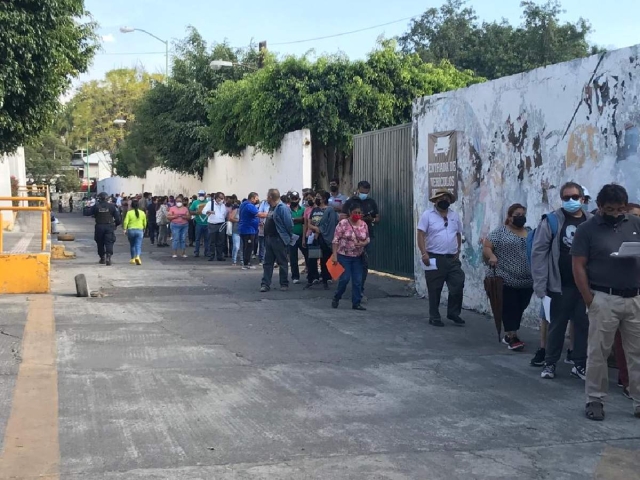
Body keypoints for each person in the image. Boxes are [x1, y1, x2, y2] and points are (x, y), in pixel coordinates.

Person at [571, 184, 640, 421]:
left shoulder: (634, 223)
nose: (615, 213)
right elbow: (578, 265)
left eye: (620, 209)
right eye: (610, 209)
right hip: (603, 297)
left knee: (636, 353)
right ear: (599, 206)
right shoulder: (587, 229)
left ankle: (638, 400)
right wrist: (589, 299)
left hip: (634, 298)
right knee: (598, 352)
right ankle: (595, 399)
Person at [532, 182, 593, 381]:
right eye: (566, 198)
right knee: (556, 326)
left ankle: (579, 364)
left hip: (584, 286)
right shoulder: (552, 221)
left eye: (575, 197)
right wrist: (541, 285)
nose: (571, 201)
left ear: (582, 199)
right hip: (559, 285)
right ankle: (550, 363)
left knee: (584, 326)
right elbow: (539, 253)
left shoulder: (591, 221)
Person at [483, 204, 533, 351]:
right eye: (517, 214)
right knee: (510, 307)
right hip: (505, 277)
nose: (520, 217)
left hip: (527, 281)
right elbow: (487, 247)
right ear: (509, 217)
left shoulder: (530, 232)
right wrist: (492, 256)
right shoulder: (500, 232)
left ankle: (510, 333)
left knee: (520, 307)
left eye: (523, 214)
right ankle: (512, 336)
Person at [416, 189, 465, 327]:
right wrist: (424, 253)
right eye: (441, 198)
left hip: (452, 258)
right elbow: (420, 234)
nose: (445, 201)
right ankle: (434, 316)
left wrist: (458, 250)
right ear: (436, 200)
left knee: (458, 283)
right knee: (435, 288)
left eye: (447, 199)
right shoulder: (428, 215)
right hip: (434, 257)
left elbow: (458, 233)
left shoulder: (454, 215)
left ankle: (453, 313)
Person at [343, 181, 380, 301]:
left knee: (364, 264)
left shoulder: (371, 202)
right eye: (363, 191)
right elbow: (342, 216)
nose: (364, 194)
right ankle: (344, 288)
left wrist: (371, 219)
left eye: (367, 192)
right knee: (349, 264)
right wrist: (355, 218)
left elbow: (377, 218)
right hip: (351, 238)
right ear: (358, 189)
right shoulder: (351, 202)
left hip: (367, 236)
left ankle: (360, 291)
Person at [331, 199, 370, 310]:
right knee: (345, 278)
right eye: (355, 212)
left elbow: (367, 239)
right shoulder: (343, 224)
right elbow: (335, 240)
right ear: (350, 212)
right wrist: (334, 255)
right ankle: (337, 297)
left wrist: (362, 243)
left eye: (359, 213)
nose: (357, 215)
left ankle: (356, 303)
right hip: (344, 256)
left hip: (358, 257)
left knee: (357, 280)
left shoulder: (363, 225)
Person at [260, 189, 293, 292]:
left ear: (270, 197)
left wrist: (287, 237)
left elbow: (289, 224)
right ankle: (265, 284)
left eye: (267, 196)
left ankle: (284, 284)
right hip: (269, 238)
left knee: (282, 262)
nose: (266, 198)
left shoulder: (282, 208)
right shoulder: (271, 207)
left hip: (278, 239)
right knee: (267, 263)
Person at [91, 192, 121, 266]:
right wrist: (116, 225)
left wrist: (88, 206)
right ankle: (108, 257)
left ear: (99, 198)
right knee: (109, 242)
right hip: (109, 226)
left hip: (99, 226)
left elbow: (87, 212)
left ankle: (102, 257)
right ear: (107, 198)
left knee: (100, 243)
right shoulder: (112, 206)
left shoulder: (96, 206)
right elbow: (118, 218)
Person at [239, 193, 263, 270]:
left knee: (246, 246)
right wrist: (270, 214)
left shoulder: (244, 204)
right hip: (248, 230)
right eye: (256, 198)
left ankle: (246, 262)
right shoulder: (249, 206)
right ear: (252, 198)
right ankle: (246, 264)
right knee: (249, 247)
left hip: (246, 229)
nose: (257, 200)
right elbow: (259, 214)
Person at [288, 191, 307, 284]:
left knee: (307, 255)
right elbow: (287, 221)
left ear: (299, 199)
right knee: (293, 257)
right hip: (291, 237)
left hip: (302, 235)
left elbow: (305, 219)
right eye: (293, 198)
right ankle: (295, 276)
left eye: (296, 199)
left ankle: (311, 274)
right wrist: (299, 220)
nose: (294, 200)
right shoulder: (287, 210)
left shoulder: (303, 209)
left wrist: (294, 220)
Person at [203, 192, 228, 262]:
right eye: (221, 198)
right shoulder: (210, 204)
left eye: (223, 198)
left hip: (221, 224)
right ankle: (211, 255)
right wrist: (208, 211)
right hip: (212, 224)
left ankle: (220, 256)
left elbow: (225, 214)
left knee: (220, 241)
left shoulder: (223, 205)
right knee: (212, 241)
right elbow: (203, 211)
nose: (222, 199)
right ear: (217, 198)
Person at [123, 199, 147, 265]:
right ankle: (138, 257)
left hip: (131, 230)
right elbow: (145, 222)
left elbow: (126, 221)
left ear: (131, 206)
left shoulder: (129, 213)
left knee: (132, 245)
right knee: (138, 245)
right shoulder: (142, 213)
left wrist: (125, 229)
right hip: (139, 230)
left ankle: (132, 259)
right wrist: (144, 228)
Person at [190, 190, 210, 258]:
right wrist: (196, 213)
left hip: (207, 223)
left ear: (205, 195)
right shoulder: (195, 202)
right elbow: (190, 211)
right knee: (197, 239)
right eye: (200, 195)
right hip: (198, 222)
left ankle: (207, 252)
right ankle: (196, 252)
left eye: (202, 195)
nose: (201, 196)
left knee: (207, 239)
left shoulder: (208, 202)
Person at [228, 200, 242, 265]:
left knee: (243, 246)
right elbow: (230, 218)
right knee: (236, 246)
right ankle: (234, 260)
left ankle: (242, 260)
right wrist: (238, 220)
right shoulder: (236, 210)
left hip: (243, 231)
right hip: (236, 230)